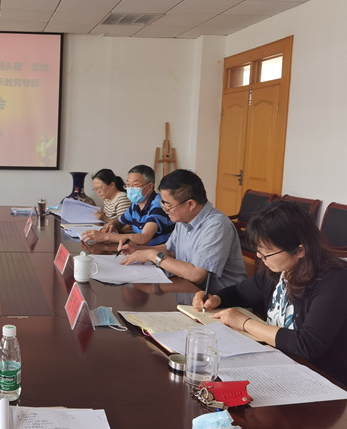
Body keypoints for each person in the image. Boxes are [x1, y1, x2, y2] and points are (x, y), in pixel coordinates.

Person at [193, 200, 347, 385]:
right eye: (259, 250)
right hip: (276, 363)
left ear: (300, 250)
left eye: (267, 252)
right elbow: (241, 292)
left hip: (321, 379)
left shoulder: (334, 280)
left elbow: (307, 344)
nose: (260, 257)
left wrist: (245, 323)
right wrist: (216, 298)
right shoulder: (277, 270)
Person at [120, 169, 247, 304]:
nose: (164, 209)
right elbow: (170, 249)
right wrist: (139, 250)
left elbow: (196, 275)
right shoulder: (184, 219)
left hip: (220, 302)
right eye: (163, 203)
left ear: (190, 204)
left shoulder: (217, 225)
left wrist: (152, 255)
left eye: (168, 204)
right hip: (191, 295)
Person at [81, 164, 173, 247]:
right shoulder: (136, 204)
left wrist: (106, 236)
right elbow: (119, 221)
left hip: (159, 255)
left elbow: (144, 238)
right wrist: (112, 225)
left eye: (135, 185)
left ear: (150, 186)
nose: (130, 189)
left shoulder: (158, 205)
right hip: (140, 251)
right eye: (128, 185)